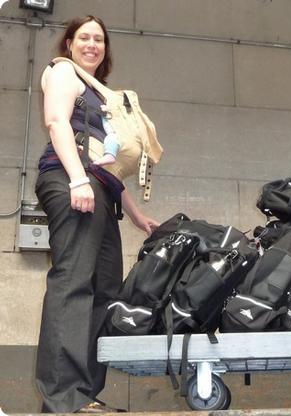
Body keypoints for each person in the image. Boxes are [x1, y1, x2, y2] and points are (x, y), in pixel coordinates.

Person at [35, 15, 159, 413]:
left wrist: (138, 216)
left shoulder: (103, 94)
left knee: (105, 292)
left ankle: (85, 395)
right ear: (69, 44)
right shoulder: (62, 72)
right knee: (74, 284)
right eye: (84, 37)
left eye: (99, 39)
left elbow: (107, 167)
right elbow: (56, 122)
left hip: (99, 190)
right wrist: (75, 180)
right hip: (70, 182)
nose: (92, 44)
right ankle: (62, 398)